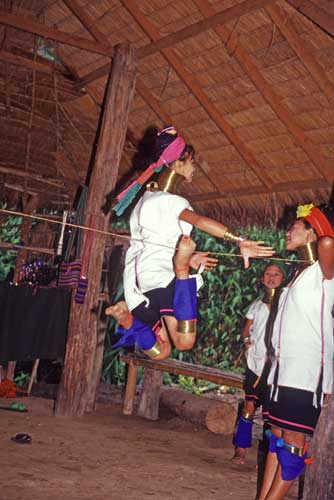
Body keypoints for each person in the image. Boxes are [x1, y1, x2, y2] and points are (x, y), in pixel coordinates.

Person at [107, 126, 274, 360]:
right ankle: (182, 269)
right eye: (191, 161)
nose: (194, 167)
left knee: (160, 351)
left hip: (139, 282)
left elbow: (157, 240)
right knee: (184, 341)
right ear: (177, 164)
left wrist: (185, 254)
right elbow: (200, 221)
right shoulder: (170, 201)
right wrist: (240, 240)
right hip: (162, 277)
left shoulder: (144, 201)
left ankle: (127, 320)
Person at [257, 203, 334, 500]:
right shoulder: (297, 275)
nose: (288, 231)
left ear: (312, 233)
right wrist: (308, 229)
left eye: (295, 227)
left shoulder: (324, 272)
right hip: (283, 369)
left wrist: (315, 221)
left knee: (292, 444)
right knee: (276, 437)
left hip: (305, 371)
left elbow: (327, 242)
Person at [232, 264, 285, 465]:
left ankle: (273, 459)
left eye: (276, 274)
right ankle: (241, 450)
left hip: (276, 366)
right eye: (268, 274)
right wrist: (247, 344)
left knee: (272, 416)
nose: (271, 278)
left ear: (283, 279)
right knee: (248, 407)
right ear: (262, 279)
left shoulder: (287, 306)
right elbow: (246, 331)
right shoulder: (256, 305)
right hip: (256, 363)